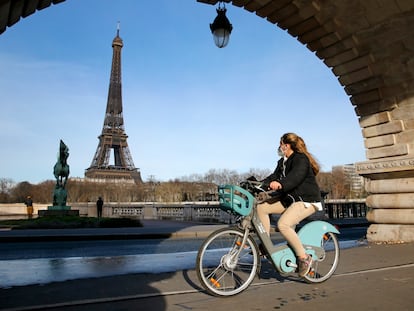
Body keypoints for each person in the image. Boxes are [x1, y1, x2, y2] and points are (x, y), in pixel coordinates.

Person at [257, 132, 322, 277]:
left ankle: (304, 258)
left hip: (306, 200)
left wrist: (280, 184)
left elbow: (295, 178)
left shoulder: (301, 159)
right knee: (261, 207)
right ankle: (266, 244)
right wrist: (258, 184)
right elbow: (273, 177)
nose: (278, 147)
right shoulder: (282, 162)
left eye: (280, 144)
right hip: (290, 200)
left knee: (283, 225)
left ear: (286, 145)